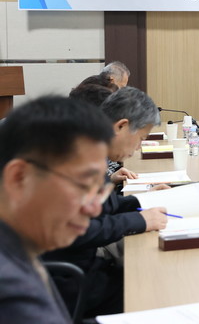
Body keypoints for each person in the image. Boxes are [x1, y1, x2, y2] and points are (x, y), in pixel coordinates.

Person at [43, 87, 168, 318]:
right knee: (152, 287)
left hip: (76, 267)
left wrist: (143, 201)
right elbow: (77, 230)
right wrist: (139, 221)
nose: (138, 147)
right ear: (121, 126)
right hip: (66, 281)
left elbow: (100, 207)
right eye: (140, 139)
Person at [0, 96, 115, 323]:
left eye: (98, 189)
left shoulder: (21, 249)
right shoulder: (12, 292)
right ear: (20, 178)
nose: (94, 209)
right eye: (83, 185)